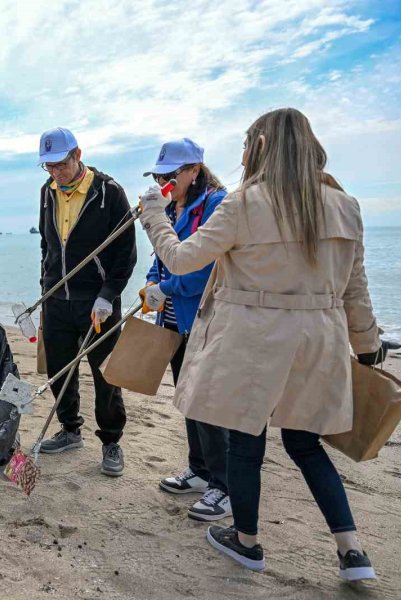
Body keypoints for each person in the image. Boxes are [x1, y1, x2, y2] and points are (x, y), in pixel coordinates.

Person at [139, 108, 384, 581]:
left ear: (261, 148)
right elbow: (356, 288)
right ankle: (352, 551)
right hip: (320, 342)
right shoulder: (344, 204)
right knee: (306, 443)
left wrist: (153, 214)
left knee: (246, 442)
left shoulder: (246, 203)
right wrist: (367, 345)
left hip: (253, 339)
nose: (244, 155)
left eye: (247, 145)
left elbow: (182, 259)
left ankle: (248, 542)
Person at [138, 139, 232, 522]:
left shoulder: (215, 204)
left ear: (194, 170)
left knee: (208, 404)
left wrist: (166, 289)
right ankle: (200, 470)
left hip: (205, 319)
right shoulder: (172, 206)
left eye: (171, 174)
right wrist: (151, 285)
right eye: (159, 175)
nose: (164, 181)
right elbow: (162, 260)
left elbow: (202, 271)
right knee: (187, 397)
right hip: (174, 319)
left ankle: (224, 487)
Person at [36, 127, 137, 476]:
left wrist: (108, 295)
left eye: (61, 164)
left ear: (78, 154)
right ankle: (69, 430)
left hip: (97, 302)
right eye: (48, 166)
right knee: (59, 371)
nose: (55, 173)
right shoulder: (46, 192)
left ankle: (111, 442)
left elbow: (126, 255)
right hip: (57, 299)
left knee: (106, 374)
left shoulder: (110, 193)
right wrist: (44, 289)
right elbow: (47, 247)